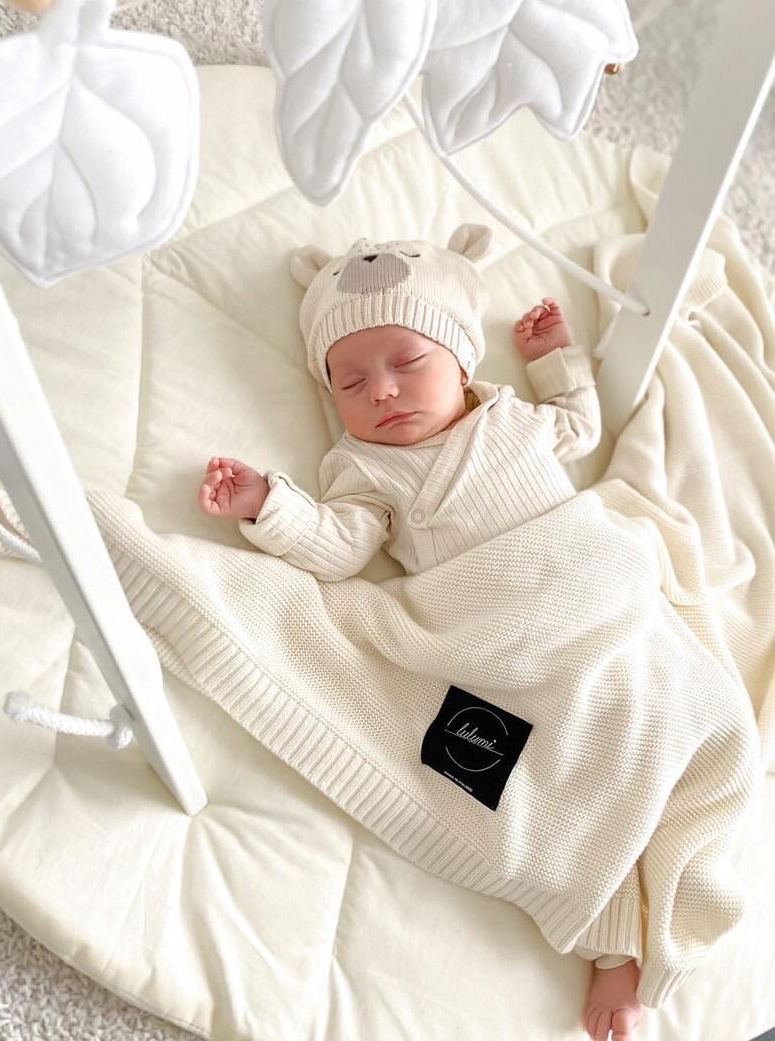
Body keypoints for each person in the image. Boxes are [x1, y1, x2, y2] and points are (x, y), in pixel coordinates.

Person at [198, 224, 642, 1041]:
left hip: (594, 596)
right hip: (497, 643)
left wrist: (553, 358)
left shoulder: (511, 418)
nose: (383, 392)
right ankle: (610, 935)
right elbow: (340, 548)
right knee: (536, 783)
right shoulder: (363, 468)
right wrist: (270, 504)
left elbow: (579, 425)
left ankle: (660, 867)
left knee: (660, 725)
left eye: (408, 362)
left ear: (463, 362)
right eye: (350, 382)